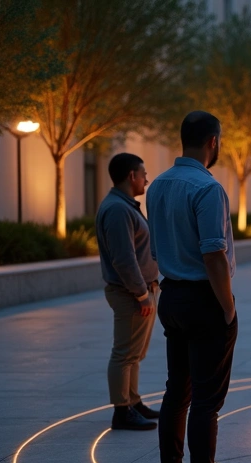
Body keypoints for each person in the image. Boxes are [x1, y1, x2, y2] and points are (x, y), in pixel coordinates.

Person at [147, 111, 251, 463]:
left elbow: (155, 247)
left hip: (172, 296)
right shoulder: (207, 188)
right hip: (203, 299)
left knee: (178, 392)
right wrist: (227, 307)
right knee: (207, 401)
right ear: (214, 141)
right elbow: (214, 252)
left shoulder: (157, 185)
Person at [95, 153, 159, 431]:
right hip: (131, 293)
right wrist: (141, 294)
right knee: (124, 353)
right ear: (132, 176)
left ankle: (133, 401)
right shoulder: (118, 210)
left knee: (134, 353)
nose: (147, 178)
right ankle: (122, 410)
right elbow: (124, 258)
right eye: (144, 173)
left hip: (139, 291)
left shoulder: (124, 206)